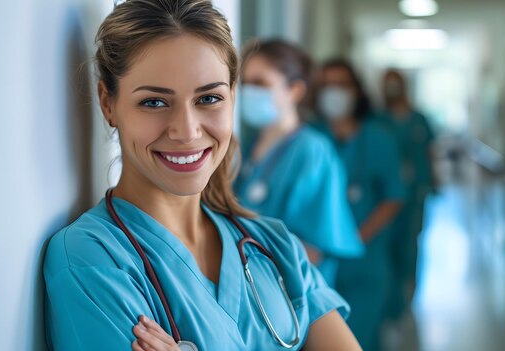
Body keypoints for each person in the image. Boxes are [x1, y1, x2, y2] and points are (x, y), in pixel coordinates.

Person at [42, 1, 362, 350]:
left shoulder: (275, 246)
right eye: (154, 102)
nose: (187, 131)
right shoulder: (92, 261)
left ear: (232, 98)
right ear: (108, 103)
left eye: (208, 98)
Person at [234, 40, 363, 287]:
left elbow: (313, 250)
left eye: (260, 83)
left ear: (294, 90)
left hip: (291, 291)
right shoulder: (249, 146)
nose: (248, 91)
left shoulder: (312, 151)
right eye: (245, 83)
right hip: (252, 284)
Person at [313, 59, 405, 351]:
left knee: (361, 338)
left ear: (356, 92)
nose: (333, 93)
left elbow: (394, 196)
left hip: (364, 261)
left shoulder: (378, 139)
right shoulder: (310, 139)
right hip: (317, 262)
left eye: (341, 85)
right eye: (326, 86)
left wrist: (352, 239)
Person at [378, 69, 437, 323]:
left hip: (414, 195)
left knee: (410, 245)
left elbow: (429, 154)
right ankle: (391, 302)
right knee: (386, 247)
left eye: (396, 85)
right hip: (384, 198)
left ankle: (408, 297)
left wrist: (434, 181)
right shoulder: (378, 121)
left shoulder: (419, 120)